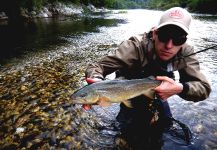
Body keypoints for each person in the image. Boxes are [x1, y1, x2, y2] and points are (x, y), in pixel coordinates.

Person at [84, 7, 211, 149]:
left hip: (157, 92)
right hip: (126, 91)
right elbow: (97, 66)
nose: (169, 45)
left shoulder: (186, 51)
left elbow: (204, 88)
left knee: (164, 127)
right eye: (164, 36)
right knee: (125, 132)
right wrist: (97, 85)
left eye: (178, 39)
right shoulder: (134, 46)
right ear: (155, 33)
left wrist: (180, 88)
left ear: (184, 40)